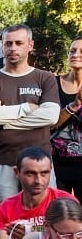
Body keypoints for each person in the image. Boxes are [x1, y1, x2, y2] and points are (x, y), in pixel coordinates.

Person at [0, 24, 60, 210]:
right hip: (2, 161)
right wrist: (27, 108)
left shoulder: (45, 78)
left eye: (18, 43)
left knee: (42, 220)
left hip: (40, 166)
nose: (13, 48)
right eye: (8, 44)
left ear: (30, 45)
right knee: (8, 224)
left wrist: (4, 119)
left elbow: (51, 116)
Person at [49, 36, 82, 196]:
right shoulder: (52, 84)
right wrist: (73, 106)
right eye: (73, 51)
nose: (76, 54)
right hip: (57, 163)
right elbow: (50, 123)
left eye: (81, 51)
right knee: (60, 213)